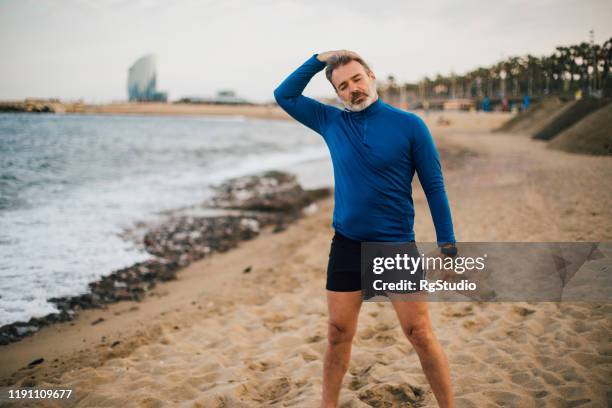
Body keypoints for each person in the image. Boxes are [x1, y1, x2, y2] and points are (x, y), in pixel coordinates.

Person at [274, 50, 457, 408]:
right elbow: (285, 95)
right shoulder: (330, 121)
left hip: (395, 247)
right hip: (347, 246)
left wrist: (447, 245)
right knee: (337, 333)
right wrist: (317, 59)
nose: (352, 89)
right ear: (337, 93)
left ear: (372, 76)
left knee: (419, 333)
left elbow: (434, 187)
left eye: (357, 79)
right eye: (342, 86)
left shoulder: (409, 125)